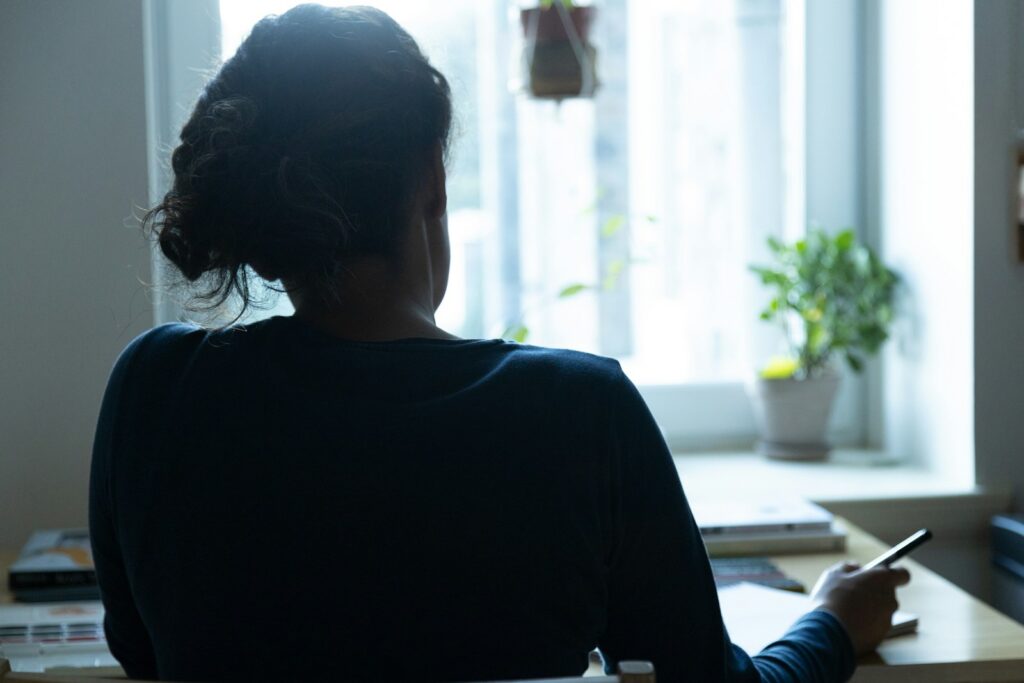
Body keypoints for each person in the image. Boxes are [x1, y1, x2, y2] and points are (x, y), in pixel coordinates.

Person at [89, 5, 910, 682]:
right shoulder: (579, 415)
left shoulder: (154, 392)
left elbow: (143, 655)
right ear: (431, 184)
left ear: (259, 230)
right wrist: (833, 623)